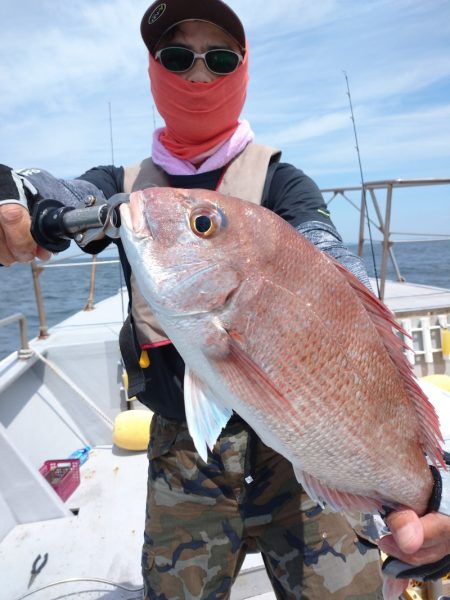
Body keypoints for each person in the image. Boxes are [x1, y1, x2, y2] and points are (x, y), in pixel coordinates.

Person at [1, 1, 449, 598]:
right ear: (154, 70)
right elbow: (55, 193)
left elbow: (337, 277)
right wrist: (13, 195)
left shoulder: (284, 186)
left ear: (242, 70)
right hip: (182, 457)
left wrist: (433, 494)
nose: (198, 76)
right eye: (177, 57)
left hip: (301, 453)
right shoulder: (123, 185)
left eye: (218, 59)